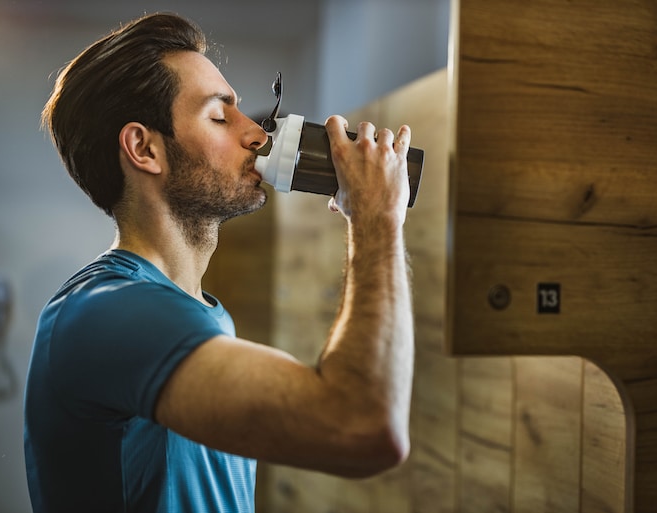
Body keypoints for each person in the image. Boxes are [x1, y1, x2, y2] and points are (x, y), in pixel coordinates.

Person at [23, 12, 414, 513]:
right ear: (144, 149)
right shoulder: (107, 313)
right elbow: (364, 426)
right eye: (219, 116)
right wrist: (377, 218)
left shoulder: (205, 315)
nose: (255, 134)